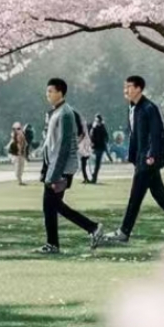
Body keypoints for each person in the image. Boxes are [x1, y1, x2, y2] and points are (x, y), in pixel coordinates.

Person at [103, 75, 164, 245]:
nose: (125, 90)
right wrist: (132, 156)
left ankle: (124, 232)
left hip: (148, 159)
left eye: (128, 87)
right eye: (124, 87)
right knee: (159, 195)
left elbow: (156, 134)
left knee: (135, 196)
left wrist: (152, 155)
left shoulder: (149, 108)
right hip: (140, 158)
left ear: (139, 88)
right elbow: (135, 134)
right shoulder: (132, 108)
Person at [37, 78, 105, 254]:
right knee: (52, 206)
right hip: (53, 166)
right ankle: (56, 243)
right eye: (47, 92)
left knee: (51, 205)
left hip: (61, 169)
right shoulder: (56, 112)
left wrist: (54, 174)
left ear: (60, 92)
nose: (48, 95)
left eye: (50, 91)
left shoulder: (66, 114)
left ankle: (92, 228)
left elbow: (65, 146)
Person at [89, 115, 109, 183]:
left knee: (97, 163)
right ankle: (94, 175)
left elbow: (106, 137)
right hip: (97, 147)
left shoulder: (100, 127)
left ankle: (94, 176)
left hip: (99, 147)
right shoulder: (97, 127)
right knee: (96, 163)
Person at [73, 109, 92, 181]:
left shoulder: (80, 124)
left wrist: (77, 142)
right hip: (84, 145)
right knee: (84, 163)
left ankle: (86, 178)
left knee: (84, 163)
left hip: (83, 145)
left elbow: (82, 134)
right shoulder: (82, 123)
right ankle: (86, 178)